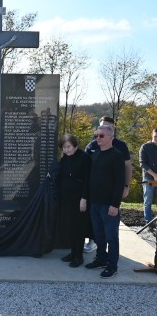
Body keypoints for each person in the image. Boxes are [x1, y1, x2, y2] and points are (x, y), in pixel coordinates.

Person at [84, 116, 132, 253]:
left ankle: (111, 262)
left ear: (112, 129)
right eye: (100, 127)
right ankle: (97, 251)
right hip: (95, 197)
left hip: (110, 195)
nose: (100, 135)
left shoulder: (120, 148)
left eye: (107, 127)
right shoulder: (92, 145)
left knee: (110, 231)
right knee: (96, 227)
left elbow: (127, 167)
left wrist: (126, 186)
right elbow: (85, 169)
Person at [85, 125, 125, 278]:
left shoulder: (117, 156)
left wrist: (115, 204)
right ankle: (100, 259)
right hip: (94, 203)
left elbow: (119, 182)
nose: (98, 138)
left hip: (109, 205)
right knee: (98, 235)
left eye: (101, 136)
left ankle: (112, 265)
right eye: (97, 135)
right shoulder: (95, 155)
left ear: (110, 138)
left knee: (111, 237)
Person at [58, 134, 91, 267]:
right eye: (64, 147)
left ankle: (79, 256)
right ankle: (72, 252)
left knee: (79, 227)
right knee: (69, 226)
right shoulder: (65, 158)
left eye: (69, 146)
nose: (66, 149)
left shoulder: (84, 158)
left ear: (75, 145)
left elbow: (88, 180)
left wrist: (84, 198)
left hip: (79, 198)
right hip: (66, 198)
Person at [139, 128, 157, 226]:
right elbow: (142, 163)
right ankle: (148, 222)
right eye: (155, 137)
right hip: (149, 179)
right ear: (152, 135)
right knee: (148, 200)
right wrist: (154, 175)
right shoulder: (145, 147)